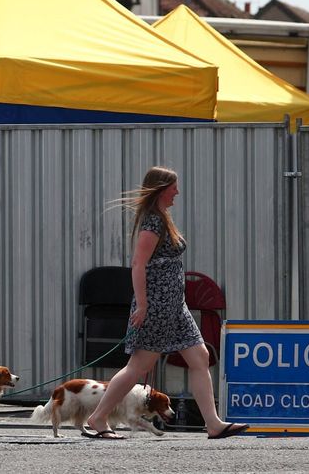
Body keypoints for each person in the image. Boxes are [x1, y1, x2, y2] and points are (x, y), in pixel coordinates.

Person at [81, 166, 248, 440]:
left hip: (174, 306)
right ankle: (98, 417)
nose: (177, 193)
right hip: (157, 306)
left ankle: (213, 423)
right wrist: (144, 305)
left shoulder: (162, 217)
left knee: (200, 357)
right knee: (139, 366)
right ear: (161, 189)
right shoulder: (153, 222)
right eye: (173, 188)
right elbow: (138, 264)